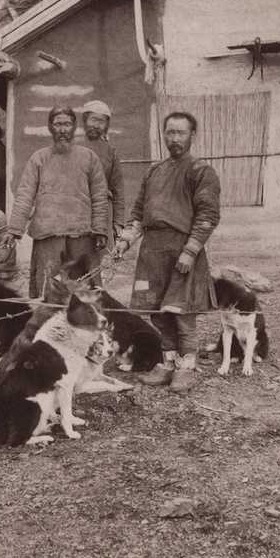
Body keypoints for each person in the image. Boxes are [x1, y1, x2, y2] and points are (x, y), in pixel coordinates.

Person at [114, 112, 221, 393]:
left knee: (181, 312)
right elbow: (138, 211)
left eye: (181, 133)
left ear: (192, 136)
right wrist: (126, 240)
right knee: (157, 312)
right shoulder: (154, 171)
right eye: (170, 133)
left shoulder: (201, 171)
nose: (174, 138)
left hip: (182, 250)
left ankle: (187, 368)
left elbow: (208, 215)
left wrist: (191, 250)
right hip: (152, 251)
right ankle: (169, 364)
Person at [2, 106, 108, 297]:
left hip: (82, 235)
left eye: (67, 124)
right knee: (48, 292)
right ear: (50, 127)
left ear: (75, 126)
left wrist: (100, 228)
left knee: (88, 291)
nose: (62, 130)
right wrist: (14, 229)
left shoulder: (89, 158)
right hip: (48, 236)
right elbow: (24, 195)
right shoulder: (39, 158)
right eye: (57, 124)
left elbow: (100, 196)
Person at [77, 100, 126, 245]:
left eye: (101, 122)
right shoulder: (73, 146)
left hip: (104, 209)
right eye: (93, 120)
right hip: (77, 208)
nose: (96, 125)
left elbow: (118, 188)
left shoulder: (110, 151)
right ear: (85, 120)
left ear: (106, 126)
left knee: (102, 256)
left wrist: (118, 221)